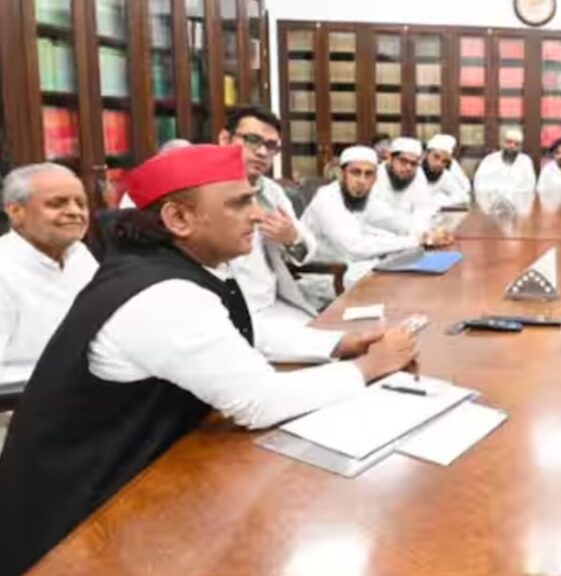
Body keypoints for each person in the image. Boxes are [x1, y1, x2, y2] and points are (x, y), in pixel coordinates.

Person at [0, 145, 418, 576]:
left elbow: (239, 330)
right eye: (239, 203)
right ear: (179, 218)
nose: (257, 215)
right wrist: (370, 367)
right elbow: (259, 402)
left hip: (150, 468)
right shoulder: (164, 294)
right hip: (86, 515)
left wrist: (336, 345)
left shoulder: (176, 263)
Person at [215, 105, 331, 361]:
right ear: (224, 139)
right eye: (252, 140)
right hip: (230, 315)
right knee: (336, 351)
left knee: (339, 341)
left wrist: (291, 238)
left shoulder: (270, 191)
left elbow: (307, 246)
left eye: (271, 146)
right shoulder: (200, 191)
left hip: (275, 304)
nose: (262, 152)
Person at [0, 164, 98, 386]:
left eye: (81, 203)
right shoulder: (4, 268)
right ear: (16, 212)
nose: (74, 212)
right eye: (56, 203)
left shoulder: (79, 255)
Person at [303, 146, 453, 289]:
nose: (362, 181)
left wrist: (427, 234)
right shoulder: (327, 199)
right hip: (324, 278)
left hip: (356, 270)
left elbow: (395, 221)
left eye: (368, 174)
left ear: (375, 178)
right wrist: (414, 240)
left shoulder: (366, 197)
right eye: (355, 172)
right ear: (342, 174)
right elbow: (355, 247)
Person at [371, 137, 438, 237]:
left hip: (408, 239)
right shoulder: (374, 177)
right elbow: (377, 218)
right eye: (403, 161)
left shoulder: (417, 175)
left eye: (413, 163)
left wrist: (421, 231)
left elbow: (425, 210)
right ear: (389, 158)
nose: (408, 168)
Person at [472, 128, 537, 214]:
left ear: (520, 148)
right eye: (509, 142)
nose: (512, 146)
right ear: (502, 143)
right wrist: (492, 205)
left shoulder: (525, 162)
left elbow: (529, 188)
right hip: (491, 209)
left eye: (516, 144)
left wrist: (513, 203)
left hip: (518, 210)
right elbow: (479, 186)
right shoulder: (489, 160)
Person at [420, 134, 470, 209]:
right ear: (425, 154)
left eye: (444, 161)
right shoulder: (412, 171)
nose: (439, 164)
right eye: (436, 157)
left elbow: (464, 197)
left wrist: (440, 199)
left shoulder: (445, 175)